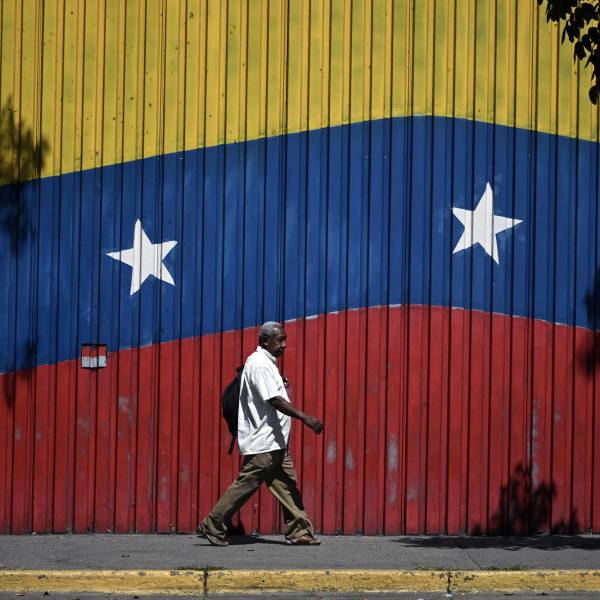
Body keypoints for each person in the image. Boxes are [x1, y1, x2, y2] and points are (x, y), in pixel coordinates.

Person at [199, 321, 324, 546]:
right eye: (280, 340)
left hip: (277, 441)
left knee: (287, 485)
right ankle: (213, 524)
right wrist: (305, 417)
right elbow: (274, 400)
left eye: (285, 340)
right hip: (265, 441)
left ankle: (299, 531)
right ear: (265, 341)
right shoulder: (259, 364)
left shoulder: (267, 363)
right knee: (246, 484)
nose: (284, 344)